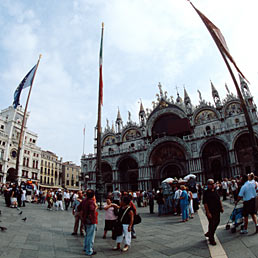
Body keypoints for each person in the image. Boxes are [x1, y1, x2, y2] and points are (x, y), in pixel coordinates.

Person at [203, 179, 224, 245]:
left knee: (217, 222)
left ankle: (209, 233)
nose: (213, 185)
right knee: (212, 224)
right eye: (211, 184)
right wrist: (208, 212)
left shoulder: (215, 191)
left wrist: (221, 207)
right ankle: (211, 239)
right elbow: (205, 203)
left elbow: (219, 199)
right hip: (211, 211)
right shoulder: (206, 193)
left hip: (217, 210)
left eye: (213, 184)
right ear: (208, 185)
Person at [80, 189, 97, 256]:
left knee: (87, 235)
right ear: (93, 195)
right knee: (91, 236)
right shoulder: (91, 202)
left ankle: (85, 247)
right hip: (91, 221)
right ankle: (89, 250)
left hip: (85, 220)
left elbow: (79, 208)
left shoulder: (84, 200)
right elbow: (92, 210)